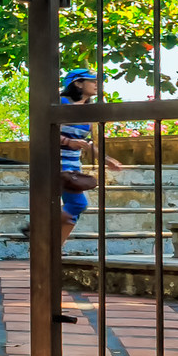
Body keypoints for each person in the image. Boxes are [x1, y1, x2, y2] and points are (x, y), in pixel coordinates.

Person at [53, 68, 117, 323]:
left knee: (73, 208)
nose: (97, 85)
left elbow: (89, 143)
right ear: (78, 84)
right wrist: (67, 143)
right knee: (77, 203)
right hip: (54, 163)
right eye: (93, 81)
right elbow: (43, 128)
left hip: (73, 166)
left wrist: (107, 158)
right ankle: (48, 238)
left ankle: (52, 244)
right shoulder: (63, 103)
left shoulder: (88, 112)